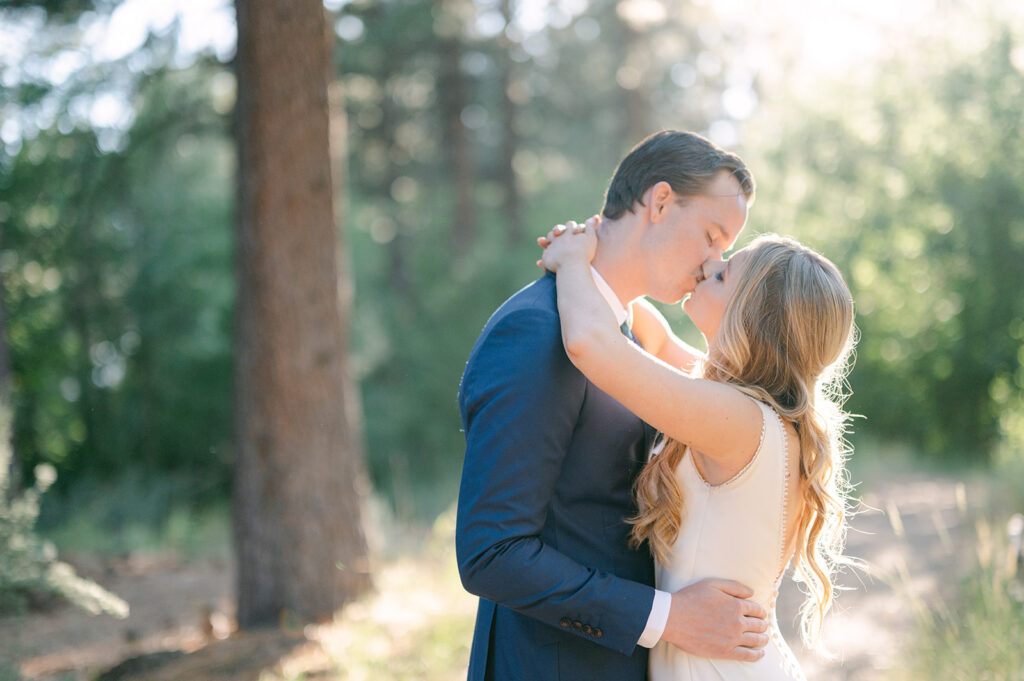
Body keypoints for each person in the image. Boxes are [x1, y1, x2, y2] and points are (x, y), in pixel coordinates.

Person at [455, 131, 768, 681]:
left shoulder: (624, 332)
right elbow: (492, 551)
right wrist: (668, 618)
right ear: (661, 201)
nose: (712, 263)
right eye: (712, 237)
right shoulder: (536, 331)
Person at [538, 223, 858, 681]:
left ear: (751, 317)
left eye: (725, 275)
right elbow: (660, 341)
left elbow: (590, 344)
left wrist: (571, 261)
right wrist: (610, 252)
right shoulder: (757, 415)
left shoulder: (737, 420)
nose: (710, 265)